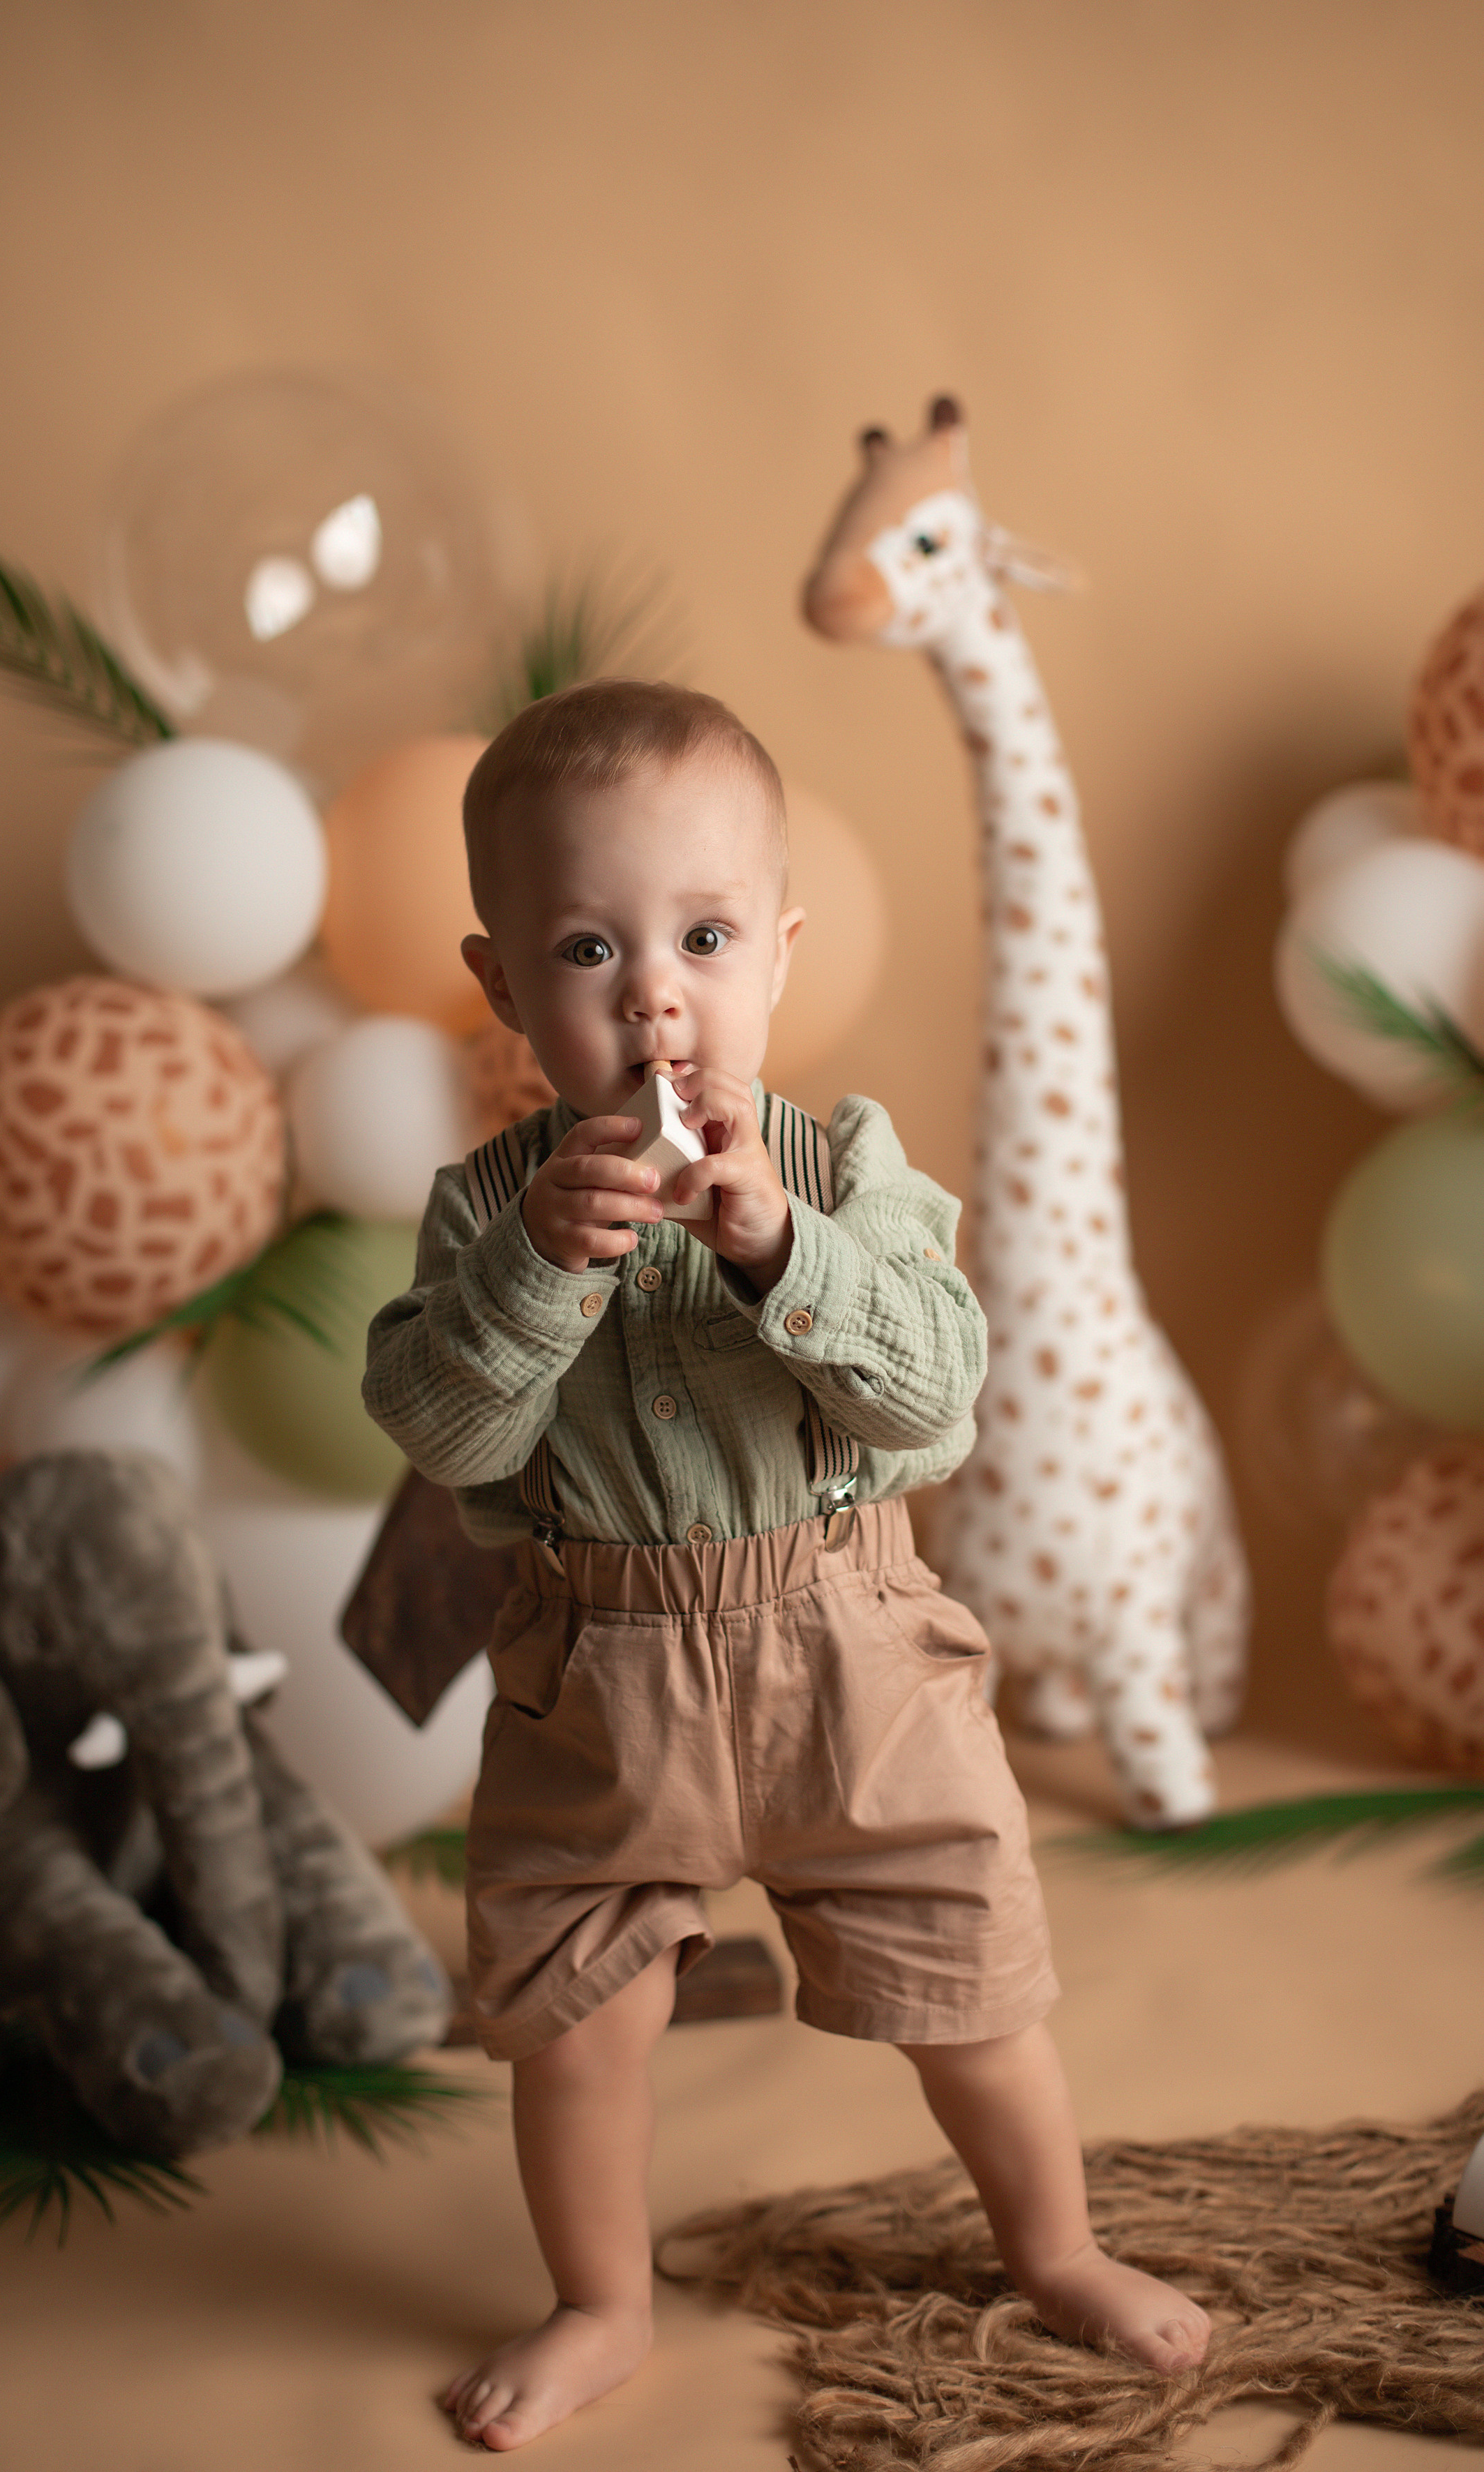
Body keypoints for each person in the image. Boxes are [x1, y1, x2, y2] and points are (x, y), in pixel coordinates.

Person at [363, 680, 1211, 2452]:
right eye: (586, 948)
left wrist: (780, 1247)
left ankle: (1053, 2244)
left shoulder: (848, 1168)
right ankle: (600, 2299)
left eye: (702, 936)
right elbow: (444, 1432)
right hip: (598, 1680)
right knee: (573, 2021)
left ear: (777, 952)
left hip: (849, 1653)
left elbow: (935, 1399)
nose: (650, 996)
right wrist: (535, 1271)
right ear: (502, 984)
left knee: (972, 1985)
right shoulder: (483, 1213)